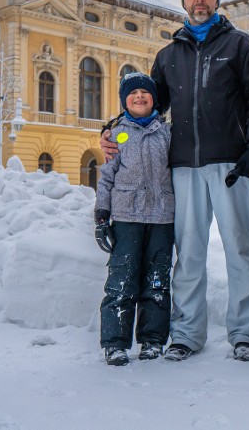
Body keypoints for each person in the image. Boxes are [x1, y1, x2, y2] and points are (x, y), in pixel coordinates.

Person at [100, 0, 249, 362]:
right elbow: (145, 107)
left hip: (232, 163)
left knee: (241, 249)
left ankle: (246, 333)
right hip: (183, 166)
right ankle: (187, 333)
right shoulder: (168, 56)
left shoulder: (239, 45)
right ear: (183, 0)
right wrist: (114, 132)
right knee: (190, 252)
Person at [94, 72, 175, 366]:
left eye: (145, 92)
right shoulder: (118, 135)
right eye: (133, 94)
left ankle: (152, 340)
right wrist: (101, 216)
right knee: (121, 280)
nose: (139, 97)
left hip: (162, 218)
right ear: (124, 101)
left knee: (156, 281)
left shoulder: (168, 134)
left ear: (154, 99)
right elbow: (106, 179)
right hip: (127, 217)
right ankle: (115, 343)